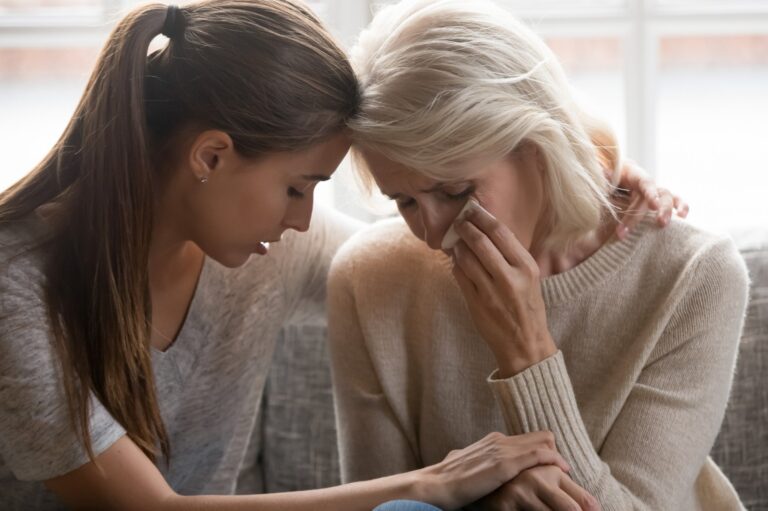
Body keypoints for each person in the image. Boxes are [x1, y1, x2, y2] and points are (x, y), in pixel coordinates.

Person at [0, 1, 683, 510]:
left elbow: (405, 263)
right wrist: (430, 481)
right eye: (297, 188)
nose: (305, 219)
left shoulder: (264, 249)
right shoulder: (17, 288)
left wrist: (587, 171)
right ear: (210, 155)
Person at [328, 1, 748, 510]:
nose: (435, 234)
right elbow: (390, 509)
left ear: (537, 145)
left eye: (456, 191)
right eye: (405, 202)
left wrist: (527, 355)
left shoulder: (694, 275)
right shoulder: (367, 277)